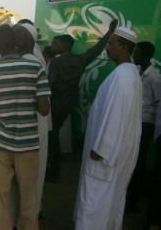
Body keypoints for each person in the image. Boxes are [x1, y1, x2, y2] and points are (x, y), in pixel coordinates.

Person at [0, 25, 50, 230]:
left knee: (0, 196)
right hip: (28, 145)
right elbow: (44, 109)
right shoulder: (36, 69)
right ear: (16, 43)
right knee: (29, 197)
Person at [74, 27, 142, 230]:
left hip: (105, 156)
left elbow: (115, 116)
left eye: (111, 44)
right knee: (110, 201)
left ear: (124, 47)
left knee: (94, 202)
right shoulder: (128, 73)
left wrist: (101, 149)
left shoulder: (123, 76)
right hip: (115, 153)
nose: (107, 48)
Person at [47, 19, 118, 181]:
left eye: (54, 43)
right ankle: (54, 170)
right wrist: (109, 32)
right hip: (69, 104)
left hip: (55, 104)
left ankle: (54, 171)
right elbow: (96, 50)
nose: (52, 45)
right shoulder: (79, 60)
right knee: (55, 135)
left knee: (52, 137)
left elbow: (51, 84)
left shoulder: (56, 62)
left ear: (60, 45)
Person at [13, 23, 51, 217]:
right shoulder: (32, 56)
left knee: (30, 171)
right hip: (33, 122)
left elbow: (42, 104)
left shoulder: (32, 59)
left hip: (33, 122)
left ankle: (30, 212)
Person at [126, 41, 161, 212]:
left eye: (138, 53)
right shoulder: (136, 72)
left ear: (146, 55)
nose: (135, 56)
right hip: (135, 121)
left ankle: (133, 202)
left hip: (146, 124)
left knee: (139, 162)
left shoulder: (155, 77)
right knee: (131, 159)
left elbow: (158, 103)